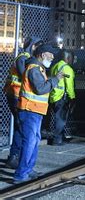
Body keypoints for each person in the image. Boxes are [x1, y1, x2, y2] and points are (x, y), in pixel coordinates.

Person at [13, 44, 64, 184]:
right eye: (50, 55)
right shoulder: (35, 69)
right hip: (30, 111)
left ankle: (28, 170)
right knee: (30, 142)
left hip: (34, 111)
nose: (52, 58)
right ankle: (20, 174)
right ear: (42, 55)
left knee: (33, 141)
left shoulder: (38, 68)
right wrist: (55, 79)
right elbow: (40, 89)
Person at [3, 36, 44, 169]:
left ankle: (14, 156)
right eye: (38, 47)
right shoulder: (23, 58)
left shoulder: (24, 57)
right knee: (21, 127)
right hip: (16, 95)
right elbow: (25, 75)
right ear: (33, 46)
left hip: (15, 94)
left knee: (20, 126)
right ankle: (14, 156)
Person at [49, 50, 76, 146]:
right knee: (61, 119)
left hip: (53, 96)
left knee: (57, 118)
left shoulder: (55, 66)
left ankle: (59, 137)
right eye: (72, 58)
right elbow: (69, 86)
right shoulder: (67, 69)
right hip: (61, 97)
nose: (72, 60)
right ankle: (57, 139)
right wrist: (72, 98)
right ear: (68, 58)